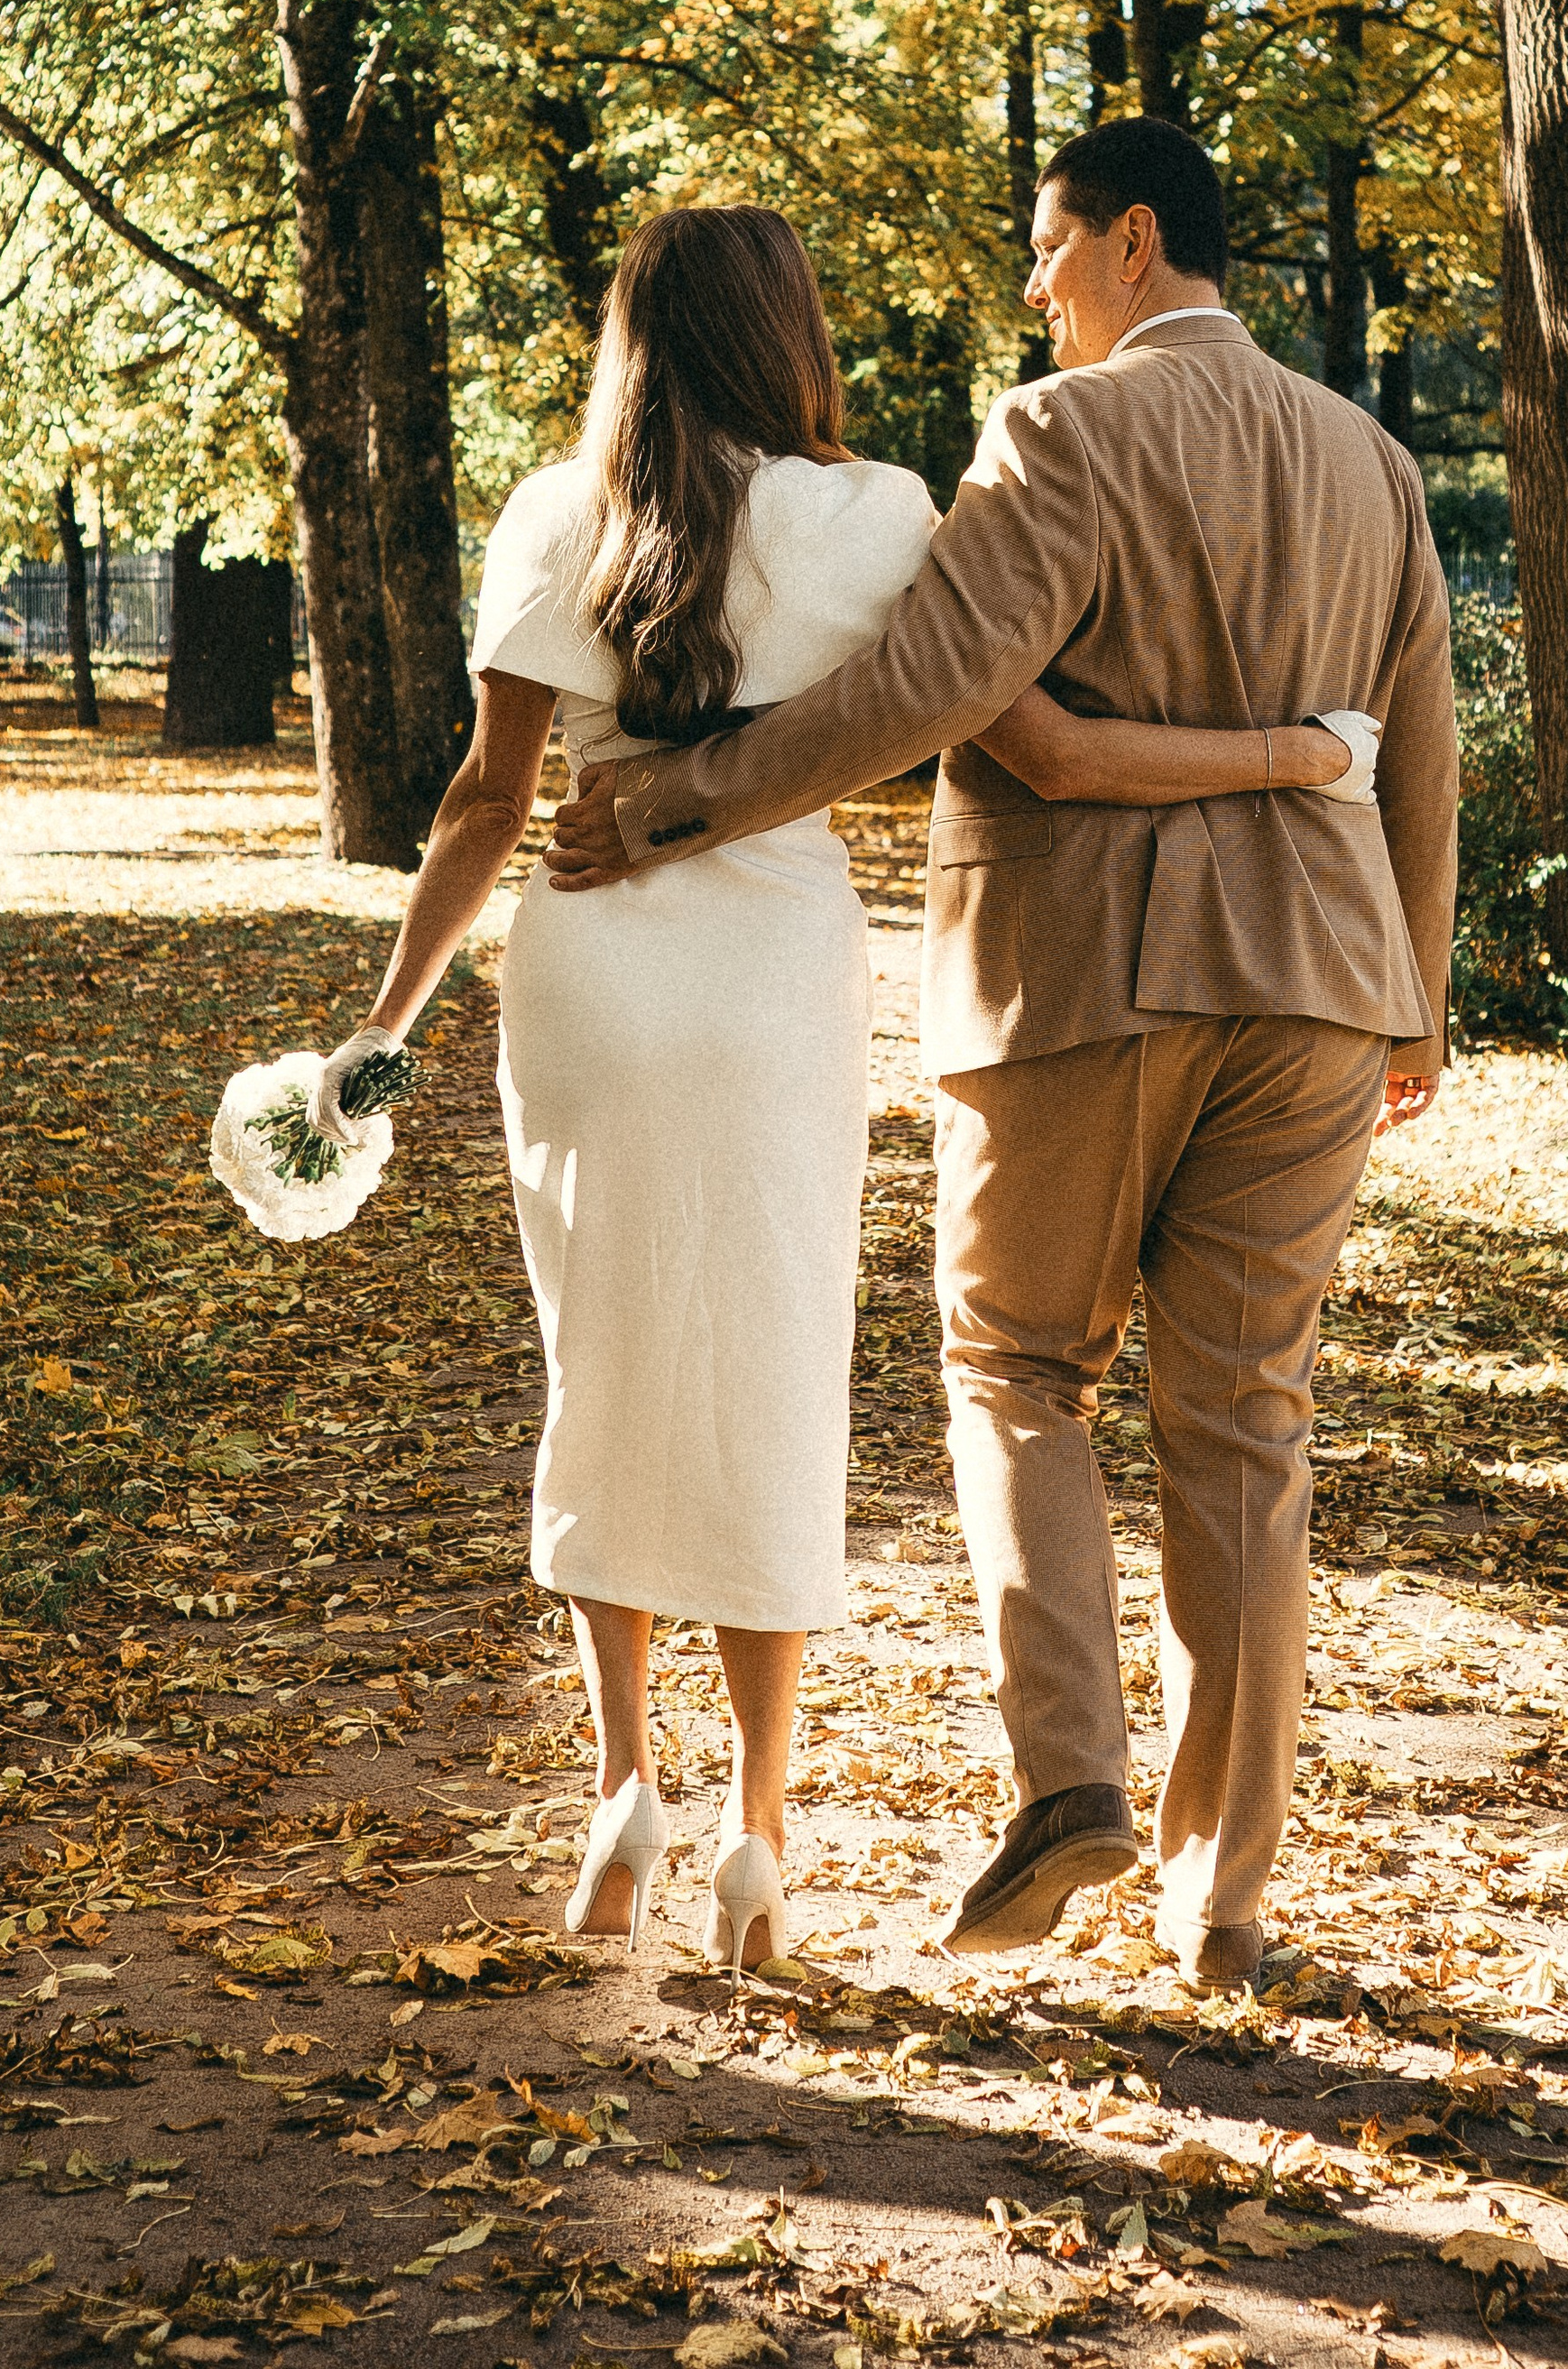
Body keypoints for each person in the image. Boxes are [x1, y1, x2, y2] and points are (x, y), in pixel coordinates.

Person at [309, 200, 1382, 1970]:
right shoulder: (882, 512)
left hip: (589, 979)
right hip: (776, 983)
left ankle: (617, 1792)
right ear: (787, 334)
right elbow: (1015, 741)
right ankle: (756, 1832)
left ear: (626, 338)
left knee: (605, 1366)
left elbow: (486, 801)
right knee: (775, 1373)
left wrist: (385, 1020)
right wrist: (1287, 759)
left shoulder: (555, 511)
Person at [544, 125, 1458, 1988]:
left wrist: (668, 805)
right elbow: (1417, 743)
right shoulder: (1371, 461)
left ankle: (1069, 1788)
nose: (1035, 290)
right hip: (1324, 988)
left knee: (1017, 1366)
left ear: (1130, 242)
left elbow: (923, 692)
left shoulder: (1062, 436)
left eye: (1049, 253)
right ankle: (1220, 1900)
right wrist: (1413, 996)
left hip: (1084, 977)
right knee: (1245, 1433)